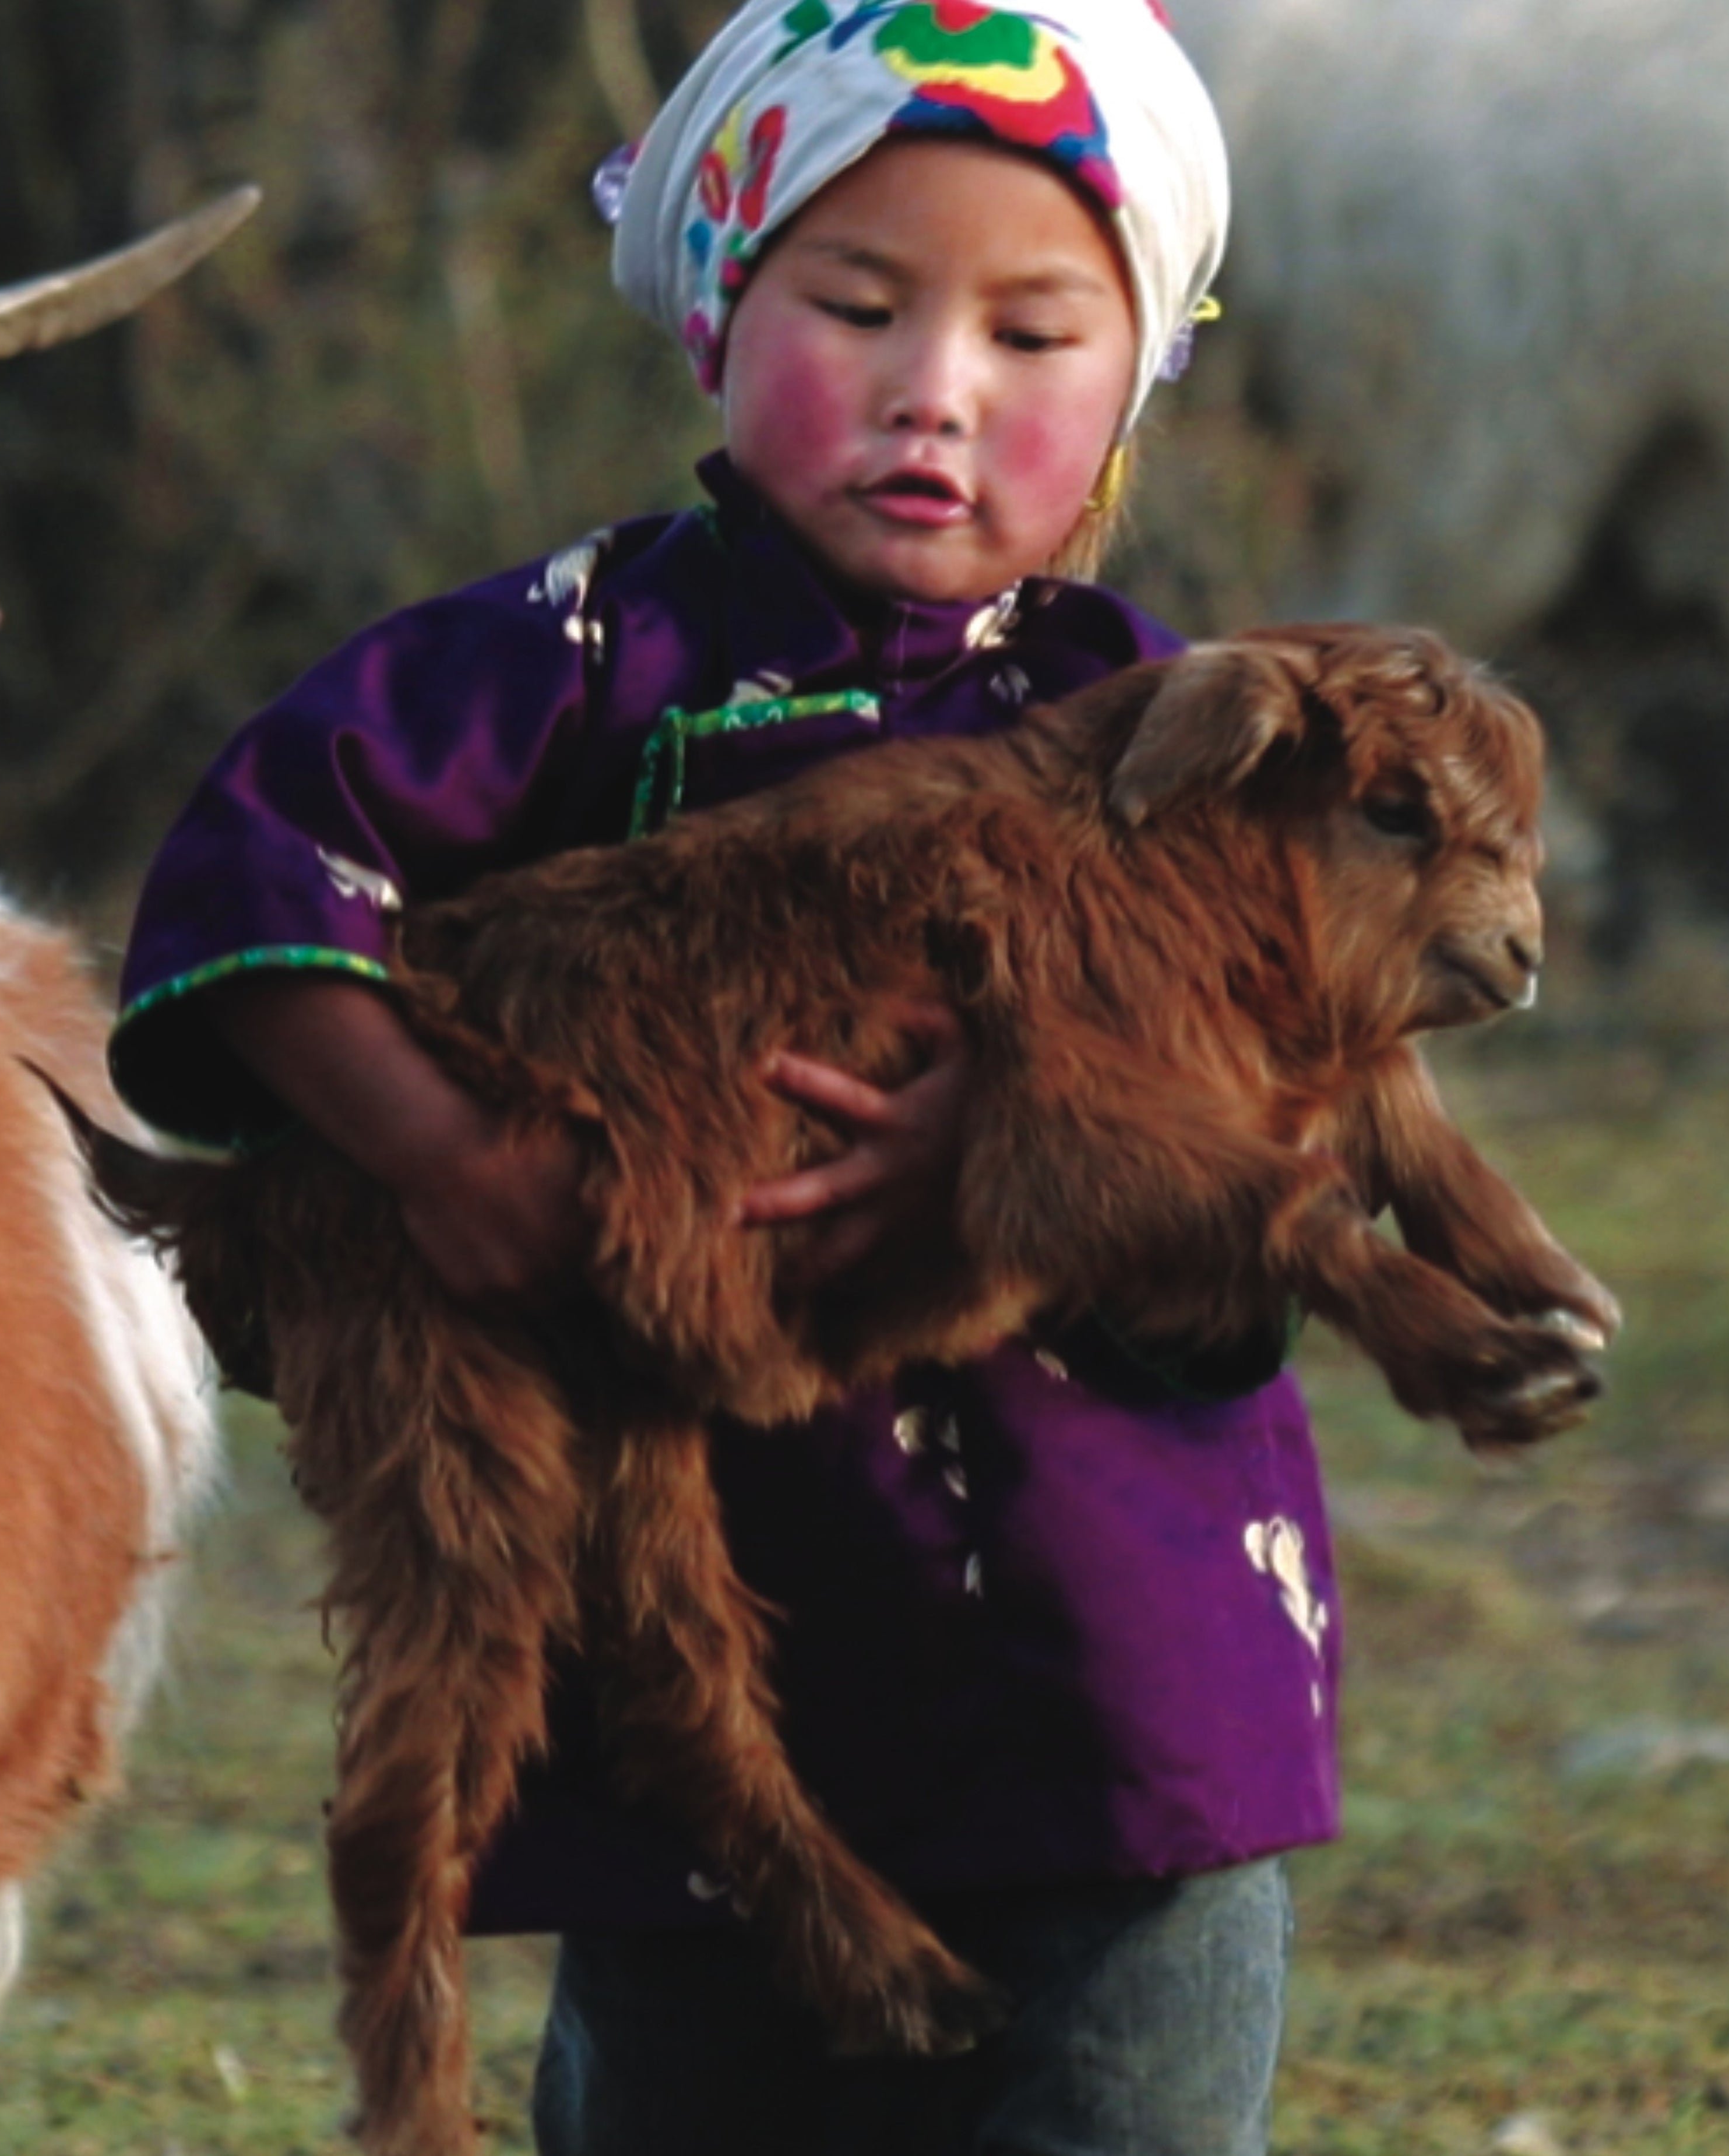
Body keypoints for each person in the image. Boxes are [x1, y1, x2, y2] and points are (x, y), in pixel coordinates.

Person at [110, 6, 1332, 2149]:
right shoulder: (572, 659)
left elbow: (1275, 1101)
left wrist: (1023, 1146)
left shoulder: (1158, 727)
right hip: (693, 1647)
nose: (932, 389)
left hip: (1109, 1651)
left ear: (1132, 389)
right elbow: (268, 861)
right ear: (717, 307)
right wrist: (436, 1145)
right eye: (856, 304)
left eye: (1038, 334)